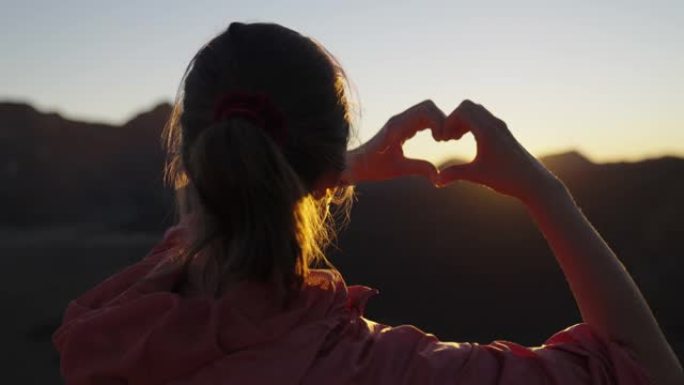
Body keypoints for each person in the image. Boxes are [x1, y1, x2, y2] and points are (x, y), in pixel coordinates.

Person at [52, 22, 683, 385]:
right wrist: (543, 189)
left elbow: (222, 211)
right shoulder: (383, 369)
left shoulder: (117, 327)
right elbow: (642, 370)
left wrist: (331, 172)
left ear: (190, 154)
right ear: (321, 161)